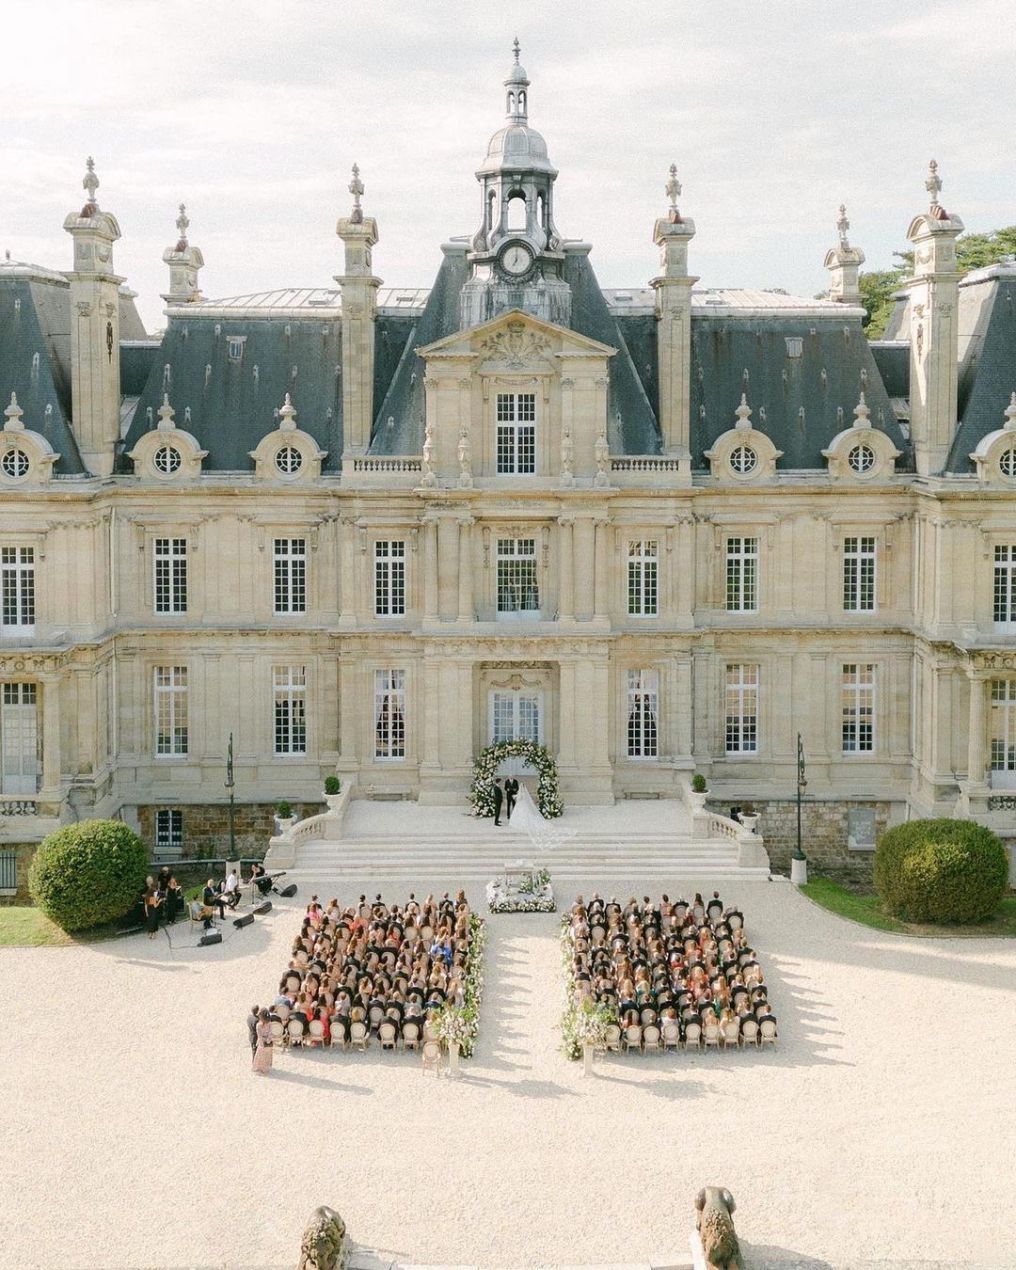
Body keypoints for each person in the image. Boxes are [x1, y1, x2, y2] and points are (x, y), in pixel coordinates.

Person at [252, 1007, 273, 1075]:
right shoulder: (269, 1023)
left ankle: (259, 1069)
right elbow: (270, 1033)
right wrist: (268, 1040)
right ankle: (265, 1068)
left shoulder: (258, 1025)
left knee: (260, 1056)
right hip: (268, 1041)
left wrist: (263, 1043)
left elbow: (259, 1036)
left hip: (262, 1042)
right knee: (266, 1056)